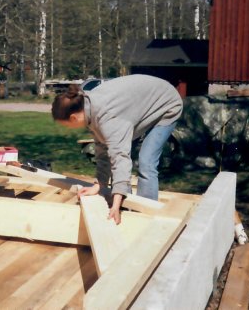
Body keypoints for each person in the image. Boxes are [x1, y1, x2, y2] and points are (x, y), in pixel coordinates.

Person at [52, 74, 183, 224]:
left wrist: (114, 206)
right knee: (118, 155)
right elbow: (103, 151)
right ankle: (125, 206)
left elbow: (119, 157)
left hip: (166, 104)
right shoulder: (89, 109)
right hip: (138, 108)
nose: (66, 128)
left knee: (146, 161)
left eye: (65, 124)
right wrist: (99, 184)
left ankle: (146, 215)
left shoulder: (108, 118)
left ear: (73, 117)